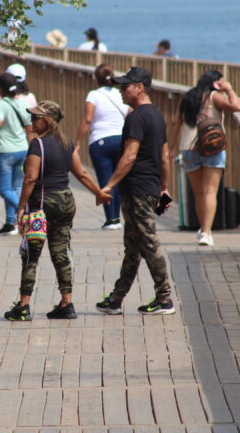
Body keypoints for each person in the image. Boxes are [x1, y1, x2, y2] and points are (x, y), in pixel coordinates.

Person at [4, 101, 111, 321]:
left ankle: (23, 307)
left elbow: (31, 178)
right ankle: (66, 303)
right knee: (61, 252)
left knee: (31, 255)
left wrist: (22, 206)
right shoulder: (66, 143)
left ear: (48, 120)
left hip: (42, 205)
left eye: (36, 117)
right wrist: (98, 193)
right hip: (65, 202)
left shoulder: (38, 145)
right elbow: (80, 173)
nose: (32, 121)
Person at [95, 67, 176, 316]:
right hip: (149, 188)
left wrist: (108, 185)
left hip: (137, 190)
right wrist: (164, 189)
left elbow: (129, 156)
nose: (121, 90)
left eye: (125, 86)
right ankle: (116, 300)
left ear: (139, 87)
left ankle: (164, 298)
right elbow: (164, 157)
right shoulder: (157, 116)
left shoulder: (137, 117)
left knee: (149, 243)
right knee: (133, 246)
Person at [167, 70, 240, 247]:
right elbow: (236, 106)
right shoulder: (214, 96)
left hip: (189, 147)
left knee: (199, 192)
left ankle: (203, 229)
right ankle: (207, 232)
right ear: (216, 83)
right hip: (212, 146)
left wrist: (170, 147)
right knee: (210, 191)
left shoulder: (188, 97)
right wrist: (229, 90)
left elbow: (176, 122)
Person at [74, 64, 129, 230]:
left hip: (100, 141)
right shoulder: (121, 93)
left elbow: (88, 119)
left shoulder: (93, 95)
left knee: (105, 179)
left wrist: (77, 142)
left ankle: (111, 219)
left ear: (95, 79)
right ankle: (118, 218)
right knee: (118, 178)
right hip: (121, 139)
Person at [0, 73, 34, 235]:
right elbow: (30, 129)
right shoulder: (23, 103)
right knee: (16, 187)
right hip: (22, 150)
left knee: (4, 189)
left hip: (5, 152)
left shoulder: (1, 104)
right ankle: (10, 222)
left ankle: (27, 213)